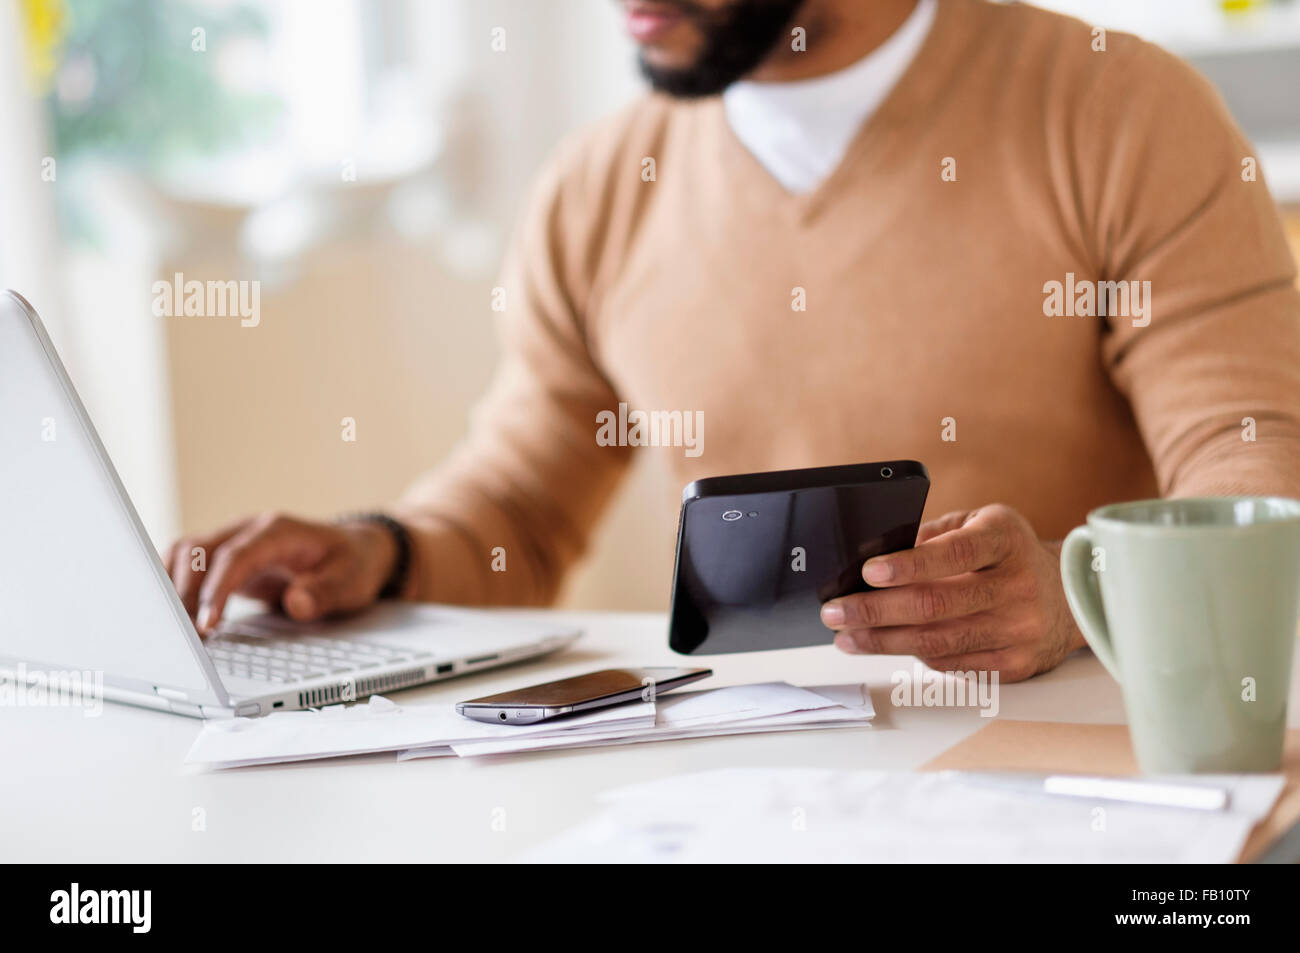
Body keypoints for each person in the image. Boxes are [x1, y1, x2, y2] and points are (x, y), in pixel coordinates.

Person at [166, 0, 1300, 681]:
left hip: (1068, 791)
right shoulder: (601, 182)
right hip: (736, 794)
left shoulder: (1122, 113)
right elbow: (515, 508)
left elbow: (1254, 477)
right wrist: (379, 553)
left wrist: (1073, 594)